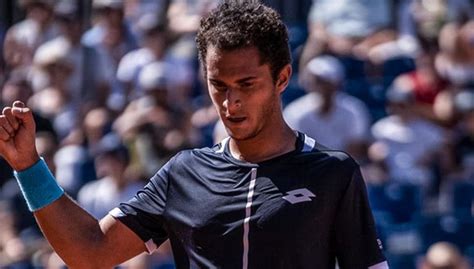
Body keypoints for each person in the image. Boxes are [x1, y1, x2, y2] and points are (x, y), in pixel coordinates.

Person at [0, 1, 387, 268]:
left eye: (247, 84)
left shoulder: (334, 174)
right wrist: (28, 166)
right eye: (218, 85)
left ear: (282, 78)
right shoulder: (183, 173)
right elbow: (89, 253)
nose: (230, 102)